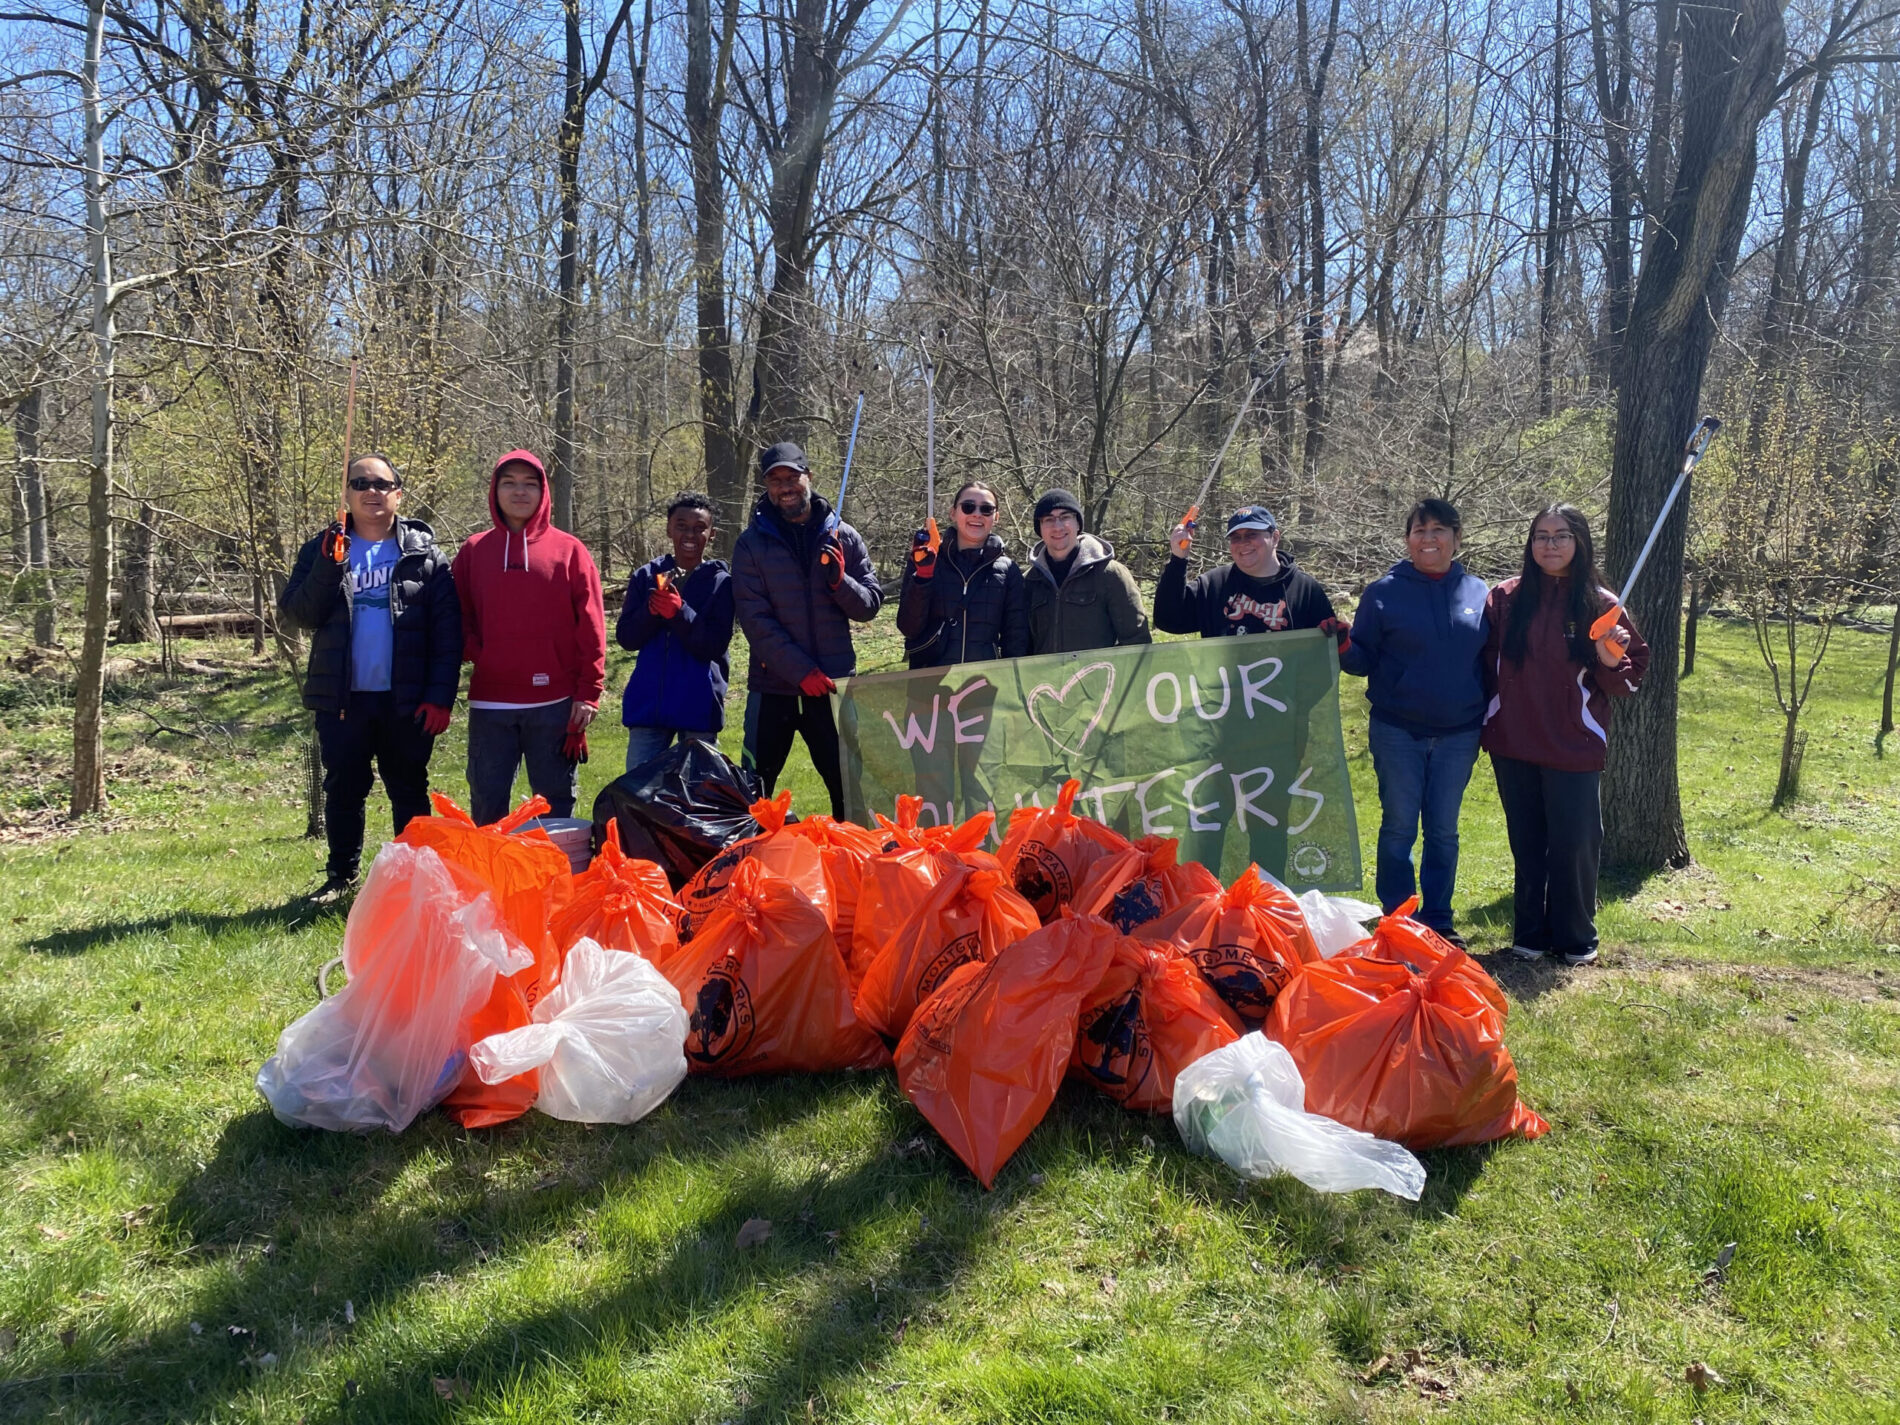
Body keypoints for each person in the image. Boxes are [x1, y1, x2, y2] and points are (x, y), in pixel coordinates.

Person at [280, 453, 461, 901]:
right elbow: (299, 614)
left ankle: (415, 879)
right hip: (343, 697)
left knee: (409, 789)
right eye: (359, 483)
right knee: (344, 788)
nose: (371, 492)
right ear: (346, 494)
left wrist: (440, 697)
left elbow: (448, 633)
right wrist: (327, 564)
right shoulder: (321, 547)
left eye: (382, 484)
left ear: (398, 493)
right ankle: (342, 877)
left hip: (406, 697)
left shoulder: (424, 555)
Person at [1482, 504, 1649, 966]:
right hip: (1514, 741)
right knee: (1528, 840)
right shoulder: (1504, 598)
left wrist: (1609, 658)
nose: (1549, 545)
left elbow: (1629, 679)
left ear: (1579, 542)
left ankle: (1575, 937)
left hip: (1574, 742)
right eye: (1541, 535)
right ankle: (1530, 935)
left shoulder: (1601, 603)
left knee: (1575, 842)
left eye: (1561, 536)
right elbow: (1484, 663)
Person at [1336, 498, 1489, 946]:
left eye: (1439, 530)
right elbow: (1361, 661)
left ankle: (1439, 919)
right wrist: (1344, 644)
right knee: (1399, 826)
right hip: (1397, 730)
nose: (1429, 539)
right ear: (1408, 539)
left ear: (1457, 539)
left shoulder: (1480, 593)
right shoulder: (1382, 592)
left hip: (1459, 733)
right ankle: (1399, 918)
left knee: (1443, 829)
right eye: (1420, 530)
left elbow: (1493, 662)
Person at [451, 448, 607, 825]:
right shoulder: (475, 550)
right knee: (488, 805)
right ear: (495, 490)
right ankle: (495, 879)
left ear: (543, 492)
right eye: (509, 483)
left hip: (553, 703)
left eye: (529, 484)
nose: (519, 492)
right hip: (492, 703)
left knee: (553, 807)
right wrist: (480, 652)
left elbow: (591, 624)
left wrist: (589, 692)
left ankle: (553, 878)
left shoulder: (569, 551)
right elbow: (457, 615)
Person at [731, 440, 883, 817]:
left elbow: (869, 607)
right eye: (775, 480)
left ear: (808, 477)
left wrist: (839, 581)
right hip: (773, 688)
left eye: (792, 477)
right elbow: (755, 620)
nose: (785, 487)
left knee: (848, 790)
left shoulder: (843, 536)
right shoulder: (751, 544)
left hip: (832, 687)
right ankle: (752, 867)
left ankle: (849, 866)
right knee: (754, 793)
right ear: (767, 487)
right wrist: (802, 672)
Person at [616, 491, 736, 771]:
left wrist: (679, 612)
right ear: (669, 528)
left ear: (712, 533)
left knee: (699, 795)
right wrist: (652, 611)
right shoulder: (646, 576)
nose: (689, 535)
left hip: (699, 705)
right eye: (681, 526)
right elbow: (627, 638)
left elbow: (714, 645)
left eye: (699, 528)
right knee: (637, 793)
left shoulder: (723, 583)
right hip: (648, 707)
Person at [897, 480, 1030, 667]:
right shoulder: (927, 559)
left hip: (983, 684)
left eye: (986, 509)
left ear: (996, 517)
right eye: (968, 507)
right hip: (928, 682)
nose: (977, 514)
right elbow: (908, 627)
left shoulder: (1009, 571)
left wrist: (1009, 683)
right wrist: (923, 577)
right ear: (953, 513)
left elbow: (1016, 638)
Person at [1154, 503, 1336, 636]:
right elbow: (1169, 620)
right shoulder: (1213, 585)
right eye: (1235, 537)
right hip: (1227, 686)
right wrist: (1179, 558)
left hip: (1285, 687)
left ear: (1275, 537)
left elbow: (1327, 650)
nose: (1243, 543)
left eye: (1252, 535)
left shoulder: (1305, 589)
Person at [1023, 488, 1150, 653]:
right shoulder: (1028, 581)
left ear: (1078, 524)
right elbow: (1020, 646)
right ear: (1040, 528)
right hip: (1045, 679)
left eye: (1065, 517)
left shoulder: (1111, 575)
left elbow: (1137, 641)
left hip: (1099, 676)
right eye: (1048, 519)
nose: (1057, 526)